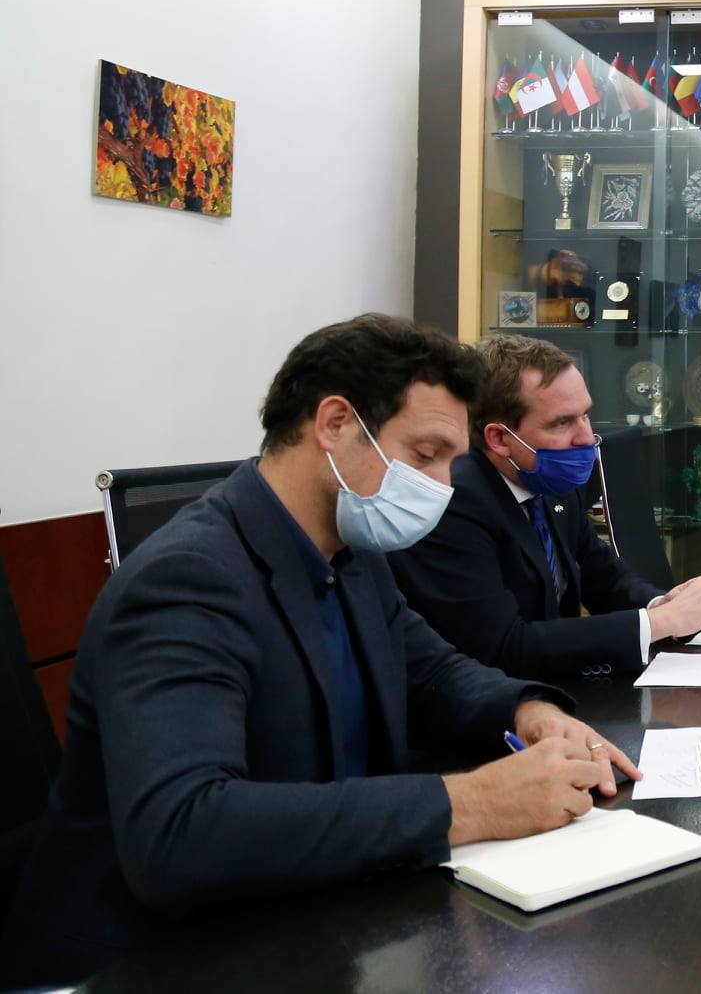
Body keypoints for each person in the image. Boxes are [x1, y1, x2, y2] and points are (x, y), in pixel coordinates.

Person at [1, 316, 639, 987]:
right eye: (425, 454)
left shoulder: (349, 551)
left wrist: (530, 712)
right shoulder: (186, 580)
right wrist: (472, 803)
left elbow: (432, 671)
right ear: (334, 424)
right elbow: (180, 833)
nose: (444, 486)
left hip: (315, 917)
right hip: (150, 960)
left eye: (450, 461)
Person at [389, 335, 701, 681]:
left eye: (585, 415)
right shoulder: (453, 503)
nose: (586, 438)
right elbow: (503, 648)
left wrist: (663, 604)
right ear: (500, 438)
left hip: (562, 690)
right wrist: (660, 622)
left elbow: (604, 578)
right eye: (562, 423)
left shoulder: (551, 483)